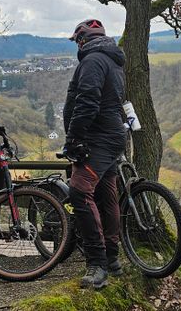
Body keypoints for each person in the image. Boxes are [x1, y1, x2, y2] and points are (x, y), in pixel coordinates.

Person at [63, 19, 126, 289]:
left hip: (97, 139)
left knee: (79, 191)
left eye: (77, 40)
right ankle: (112, 258)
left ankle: (97, 264)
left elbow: (87, 100)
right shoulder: (112, 60)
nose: (77, 44)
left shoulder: (92, 61)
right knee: (106, 193)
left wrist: (74, 137)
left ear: (83, 39)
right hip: (111, 137)